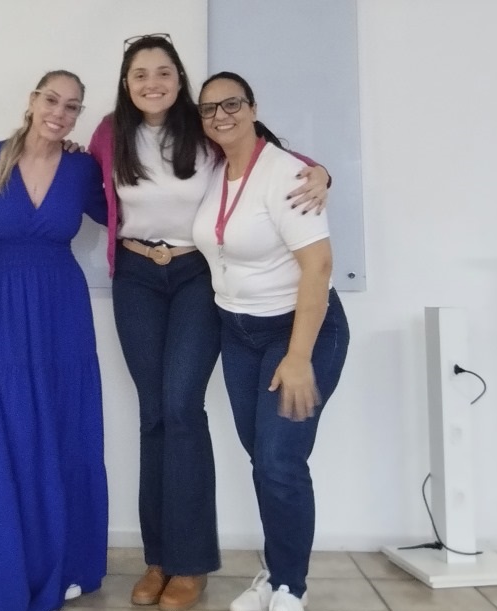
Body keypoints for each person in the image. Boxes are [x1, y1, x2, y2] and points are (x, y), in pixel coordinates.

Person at [87, 35, 330, 611]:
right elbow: (93, 192)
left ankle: (190, 561)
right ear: (126, 82)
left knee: (181, 407)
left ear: (179, 79)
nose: (152, 83)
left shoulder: (204, 127)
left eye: (163, 72)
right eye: (140, 73)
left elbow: (275, 162)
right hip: (137, 278)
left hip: (196, 277)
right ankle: (158, 558)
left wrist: (323, 173)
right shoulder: (108, 133)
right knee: (153, 413)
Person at [0, 70, 109, 611]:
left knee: (65, 429)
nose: (59, 113)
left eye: (72, 106)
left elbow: (128, 210)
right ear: (33, 100)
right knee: (3, 429)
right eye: (52, 100)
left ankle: (66, 560)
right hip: (0, 307)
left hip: (62, 309)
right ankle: (1, 565)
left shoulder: (84, 168)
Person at [192, 71, 349, 611]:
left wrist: (299, 357)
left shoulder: (285, 174)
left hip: (299, 329)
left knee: (280, 461)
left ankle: (290, 587)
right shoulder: (214, 170)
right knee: (262, 457)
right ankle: (276, 571)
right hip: (239, 333)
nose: (221, 116)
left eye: (231, 104)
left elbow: (319, 265)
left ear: (253, 108)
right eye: (209, 109)